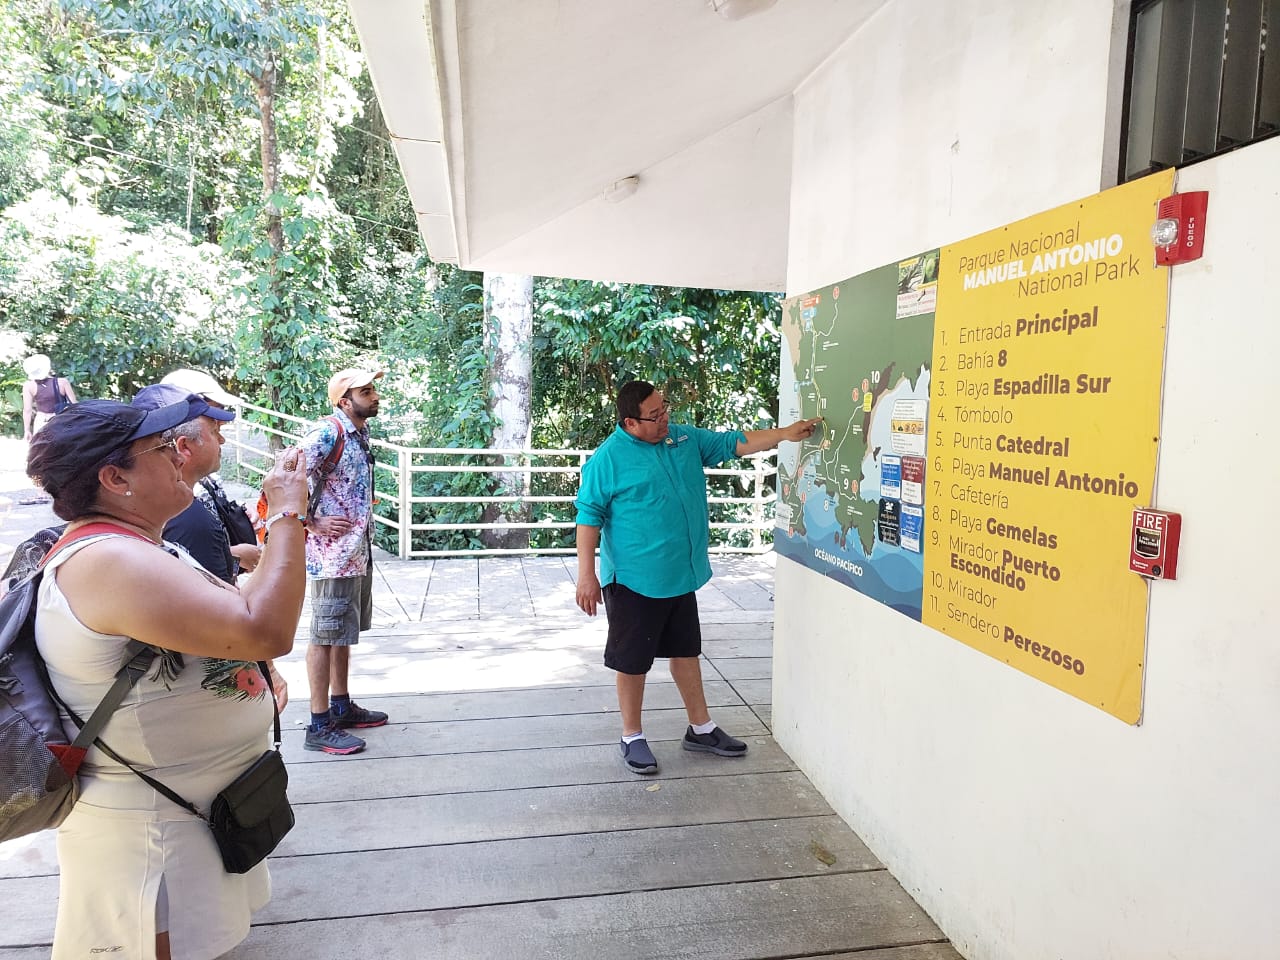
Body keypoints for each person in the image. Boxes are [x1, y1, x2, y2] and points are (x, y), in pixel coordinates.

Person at [26, 398, 308, 960]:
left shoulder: (145, 545)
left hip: (187, 808)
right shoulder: (110, 560)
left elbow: (232, 620)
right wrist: (286, 516)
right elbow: (265, 631)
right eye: (161, 448)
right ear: (114, 479)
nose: (181, 454)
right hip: (148, 828)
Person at [574, 380, 821, 775]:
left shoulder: (684, 439)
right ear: (630, 423)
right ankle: (632, 735)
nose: (664, 419)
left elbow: (735, 442)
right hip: (634, 580)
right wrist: (586, 576)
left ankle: (701, 728)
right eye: (654, 416)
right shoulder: (609, 459)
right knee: (633, 661)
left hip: (678, 574)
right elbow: (588, 516)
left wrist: (785, 435)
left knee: (686, 651)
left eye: (664, 409)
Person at [299, 367, 389, 755]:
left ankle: (340, 705)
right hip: (332, 556)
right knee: (324, 634)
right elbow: (284, 475)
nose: (374, 396)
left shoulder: (359, 434)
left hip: (356, 552)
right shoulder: (327, 433)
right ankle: (319, 724)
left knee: (342, 633)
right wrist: (311, 521)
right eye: (365, 391)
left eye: (372, 390)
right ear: (343, 400)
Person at [160, 369, 262, 572]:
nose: (221, 422)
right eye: (213, 413)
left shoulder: (203, 478)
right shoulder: (173, 502)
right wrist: (231, 555)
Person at [22, 353, 77, 440]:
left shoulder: (28, 386)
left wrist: (27, 430)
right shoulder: (63, 382)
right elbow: (74, 406)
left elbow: (27, 410)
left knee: (41, 451)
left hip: (40, 421)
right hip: (59, 419)